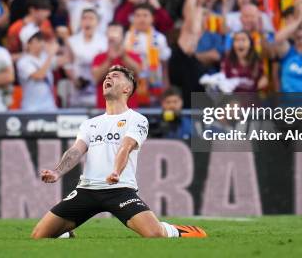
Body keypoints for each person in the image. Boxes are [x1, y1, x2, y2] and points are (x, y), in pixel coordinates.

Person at [31, 64, 206, 239]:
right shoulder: (90, 123)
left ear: (127, 88)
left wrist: (116, 172)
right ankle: (67, 233)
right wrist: (57, 172)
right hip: (87, 190)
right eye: (107, 76)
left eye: (115, 76)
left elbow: (126, 146)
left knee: (154, 234)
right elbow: (76, 150)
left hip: (120, 189)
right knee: (39, 236)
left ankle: (178, 230)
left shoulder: (137, 119)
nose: (108, 78)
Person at [17, 32, 59, 112]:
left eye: (41, 40)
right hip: (31, 108)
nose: (41, 43)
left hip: (49, 106)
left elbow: (68, 59)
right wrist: (50, 55)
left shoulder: (45, 57)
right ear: (28, 44)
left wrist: (65, 39)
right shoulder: (23, 61)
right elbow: (39, 75)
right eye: (37, 41)